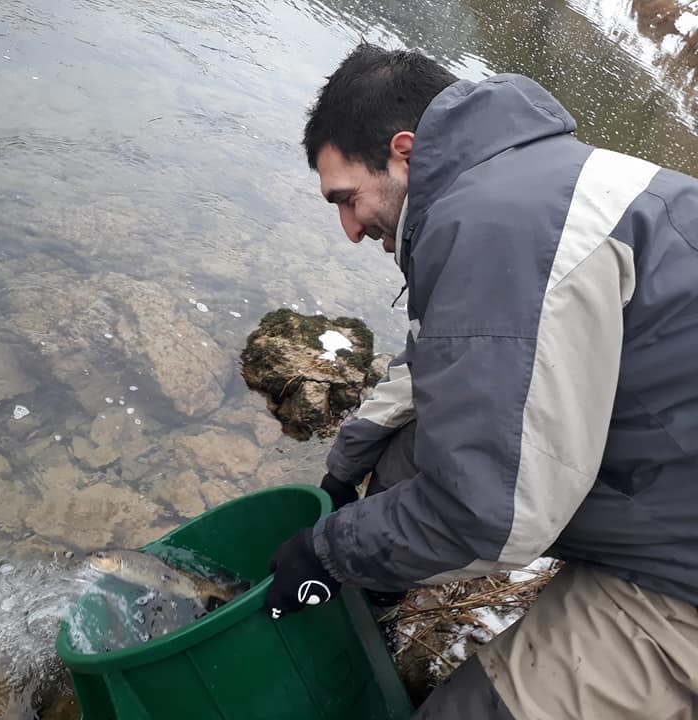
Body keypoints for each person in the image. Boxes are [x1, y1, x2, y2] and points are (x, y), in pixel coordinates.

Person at [263, 43, 698, 719]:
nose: (349, 229)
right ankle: (378, 606)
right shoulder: (522, 182)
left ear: (404, 153)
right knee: (409, 450)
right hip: (668, 481)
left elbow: (493, 514)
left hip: (680, 574)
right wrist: (342, 475)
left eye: (347, 200)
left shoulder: (497, 225)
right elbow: (430, 368)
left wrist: (330, 553)